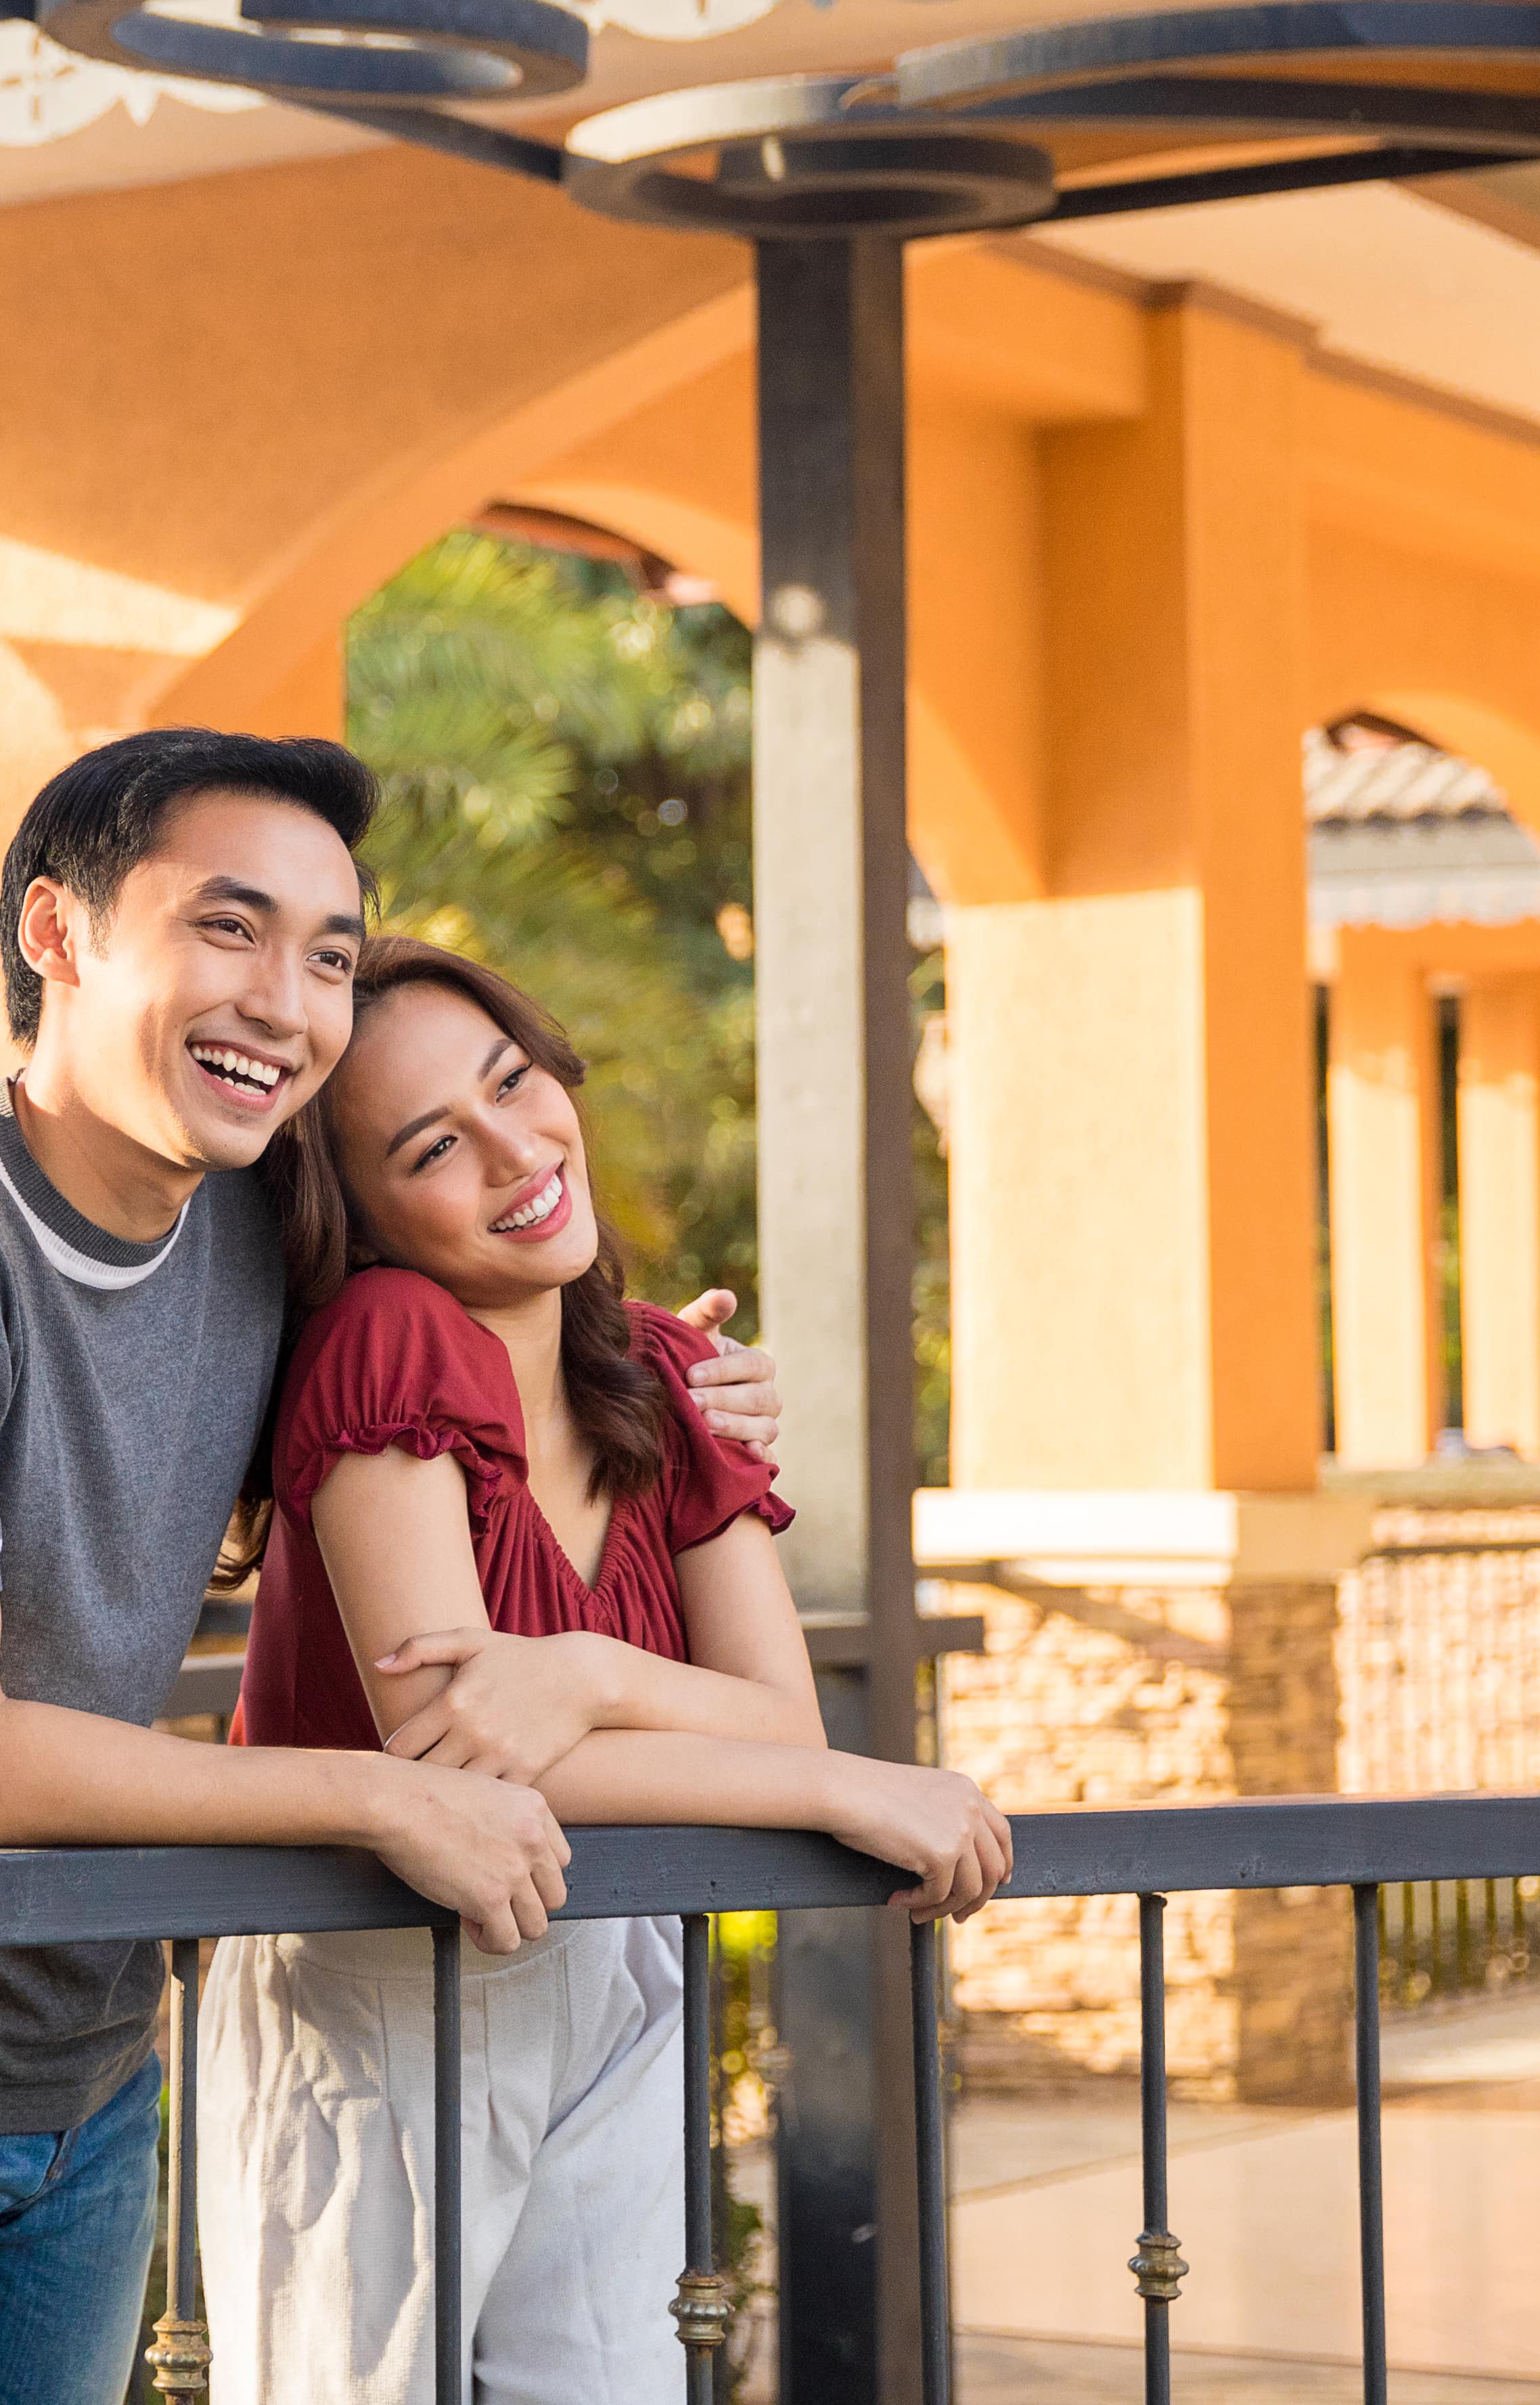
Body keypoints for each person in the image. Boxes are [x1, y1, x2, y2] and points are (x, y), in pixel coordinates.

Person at [0, 733, 790, 2405]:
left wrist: (682, 1370)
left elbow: (481, 1298)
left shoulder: (253, 1226)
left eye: (327, 951)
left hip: (90, 2052)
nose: (289, 998)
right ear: (59, 932)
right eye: (230, 928)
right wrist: (379, 1795)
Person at [198, 934, 1015, 2405]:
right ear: (368, 1217)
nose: (518, 1147)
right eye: (436, 1143)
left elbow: (777, 1713)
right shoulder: (383, 1340)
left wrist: (581, 1669)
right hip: (379, 1971)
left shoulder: (654, 1374)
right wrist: (837, 1787)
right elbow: (462, 1756)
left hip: (605, 1946)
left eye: (515, 1081)